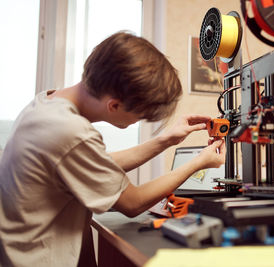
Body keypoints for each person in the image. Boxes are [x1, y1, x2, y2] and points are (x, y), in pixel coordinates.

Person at [0, 31, 226, 266]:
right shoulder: (70, 130)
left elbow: (94, 163)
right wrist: (200, 162)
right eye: (141, 115)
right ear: (115, 105)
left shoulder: (46, 103)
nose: (139, 120)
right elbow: (133, 202)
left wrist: (165, 140)